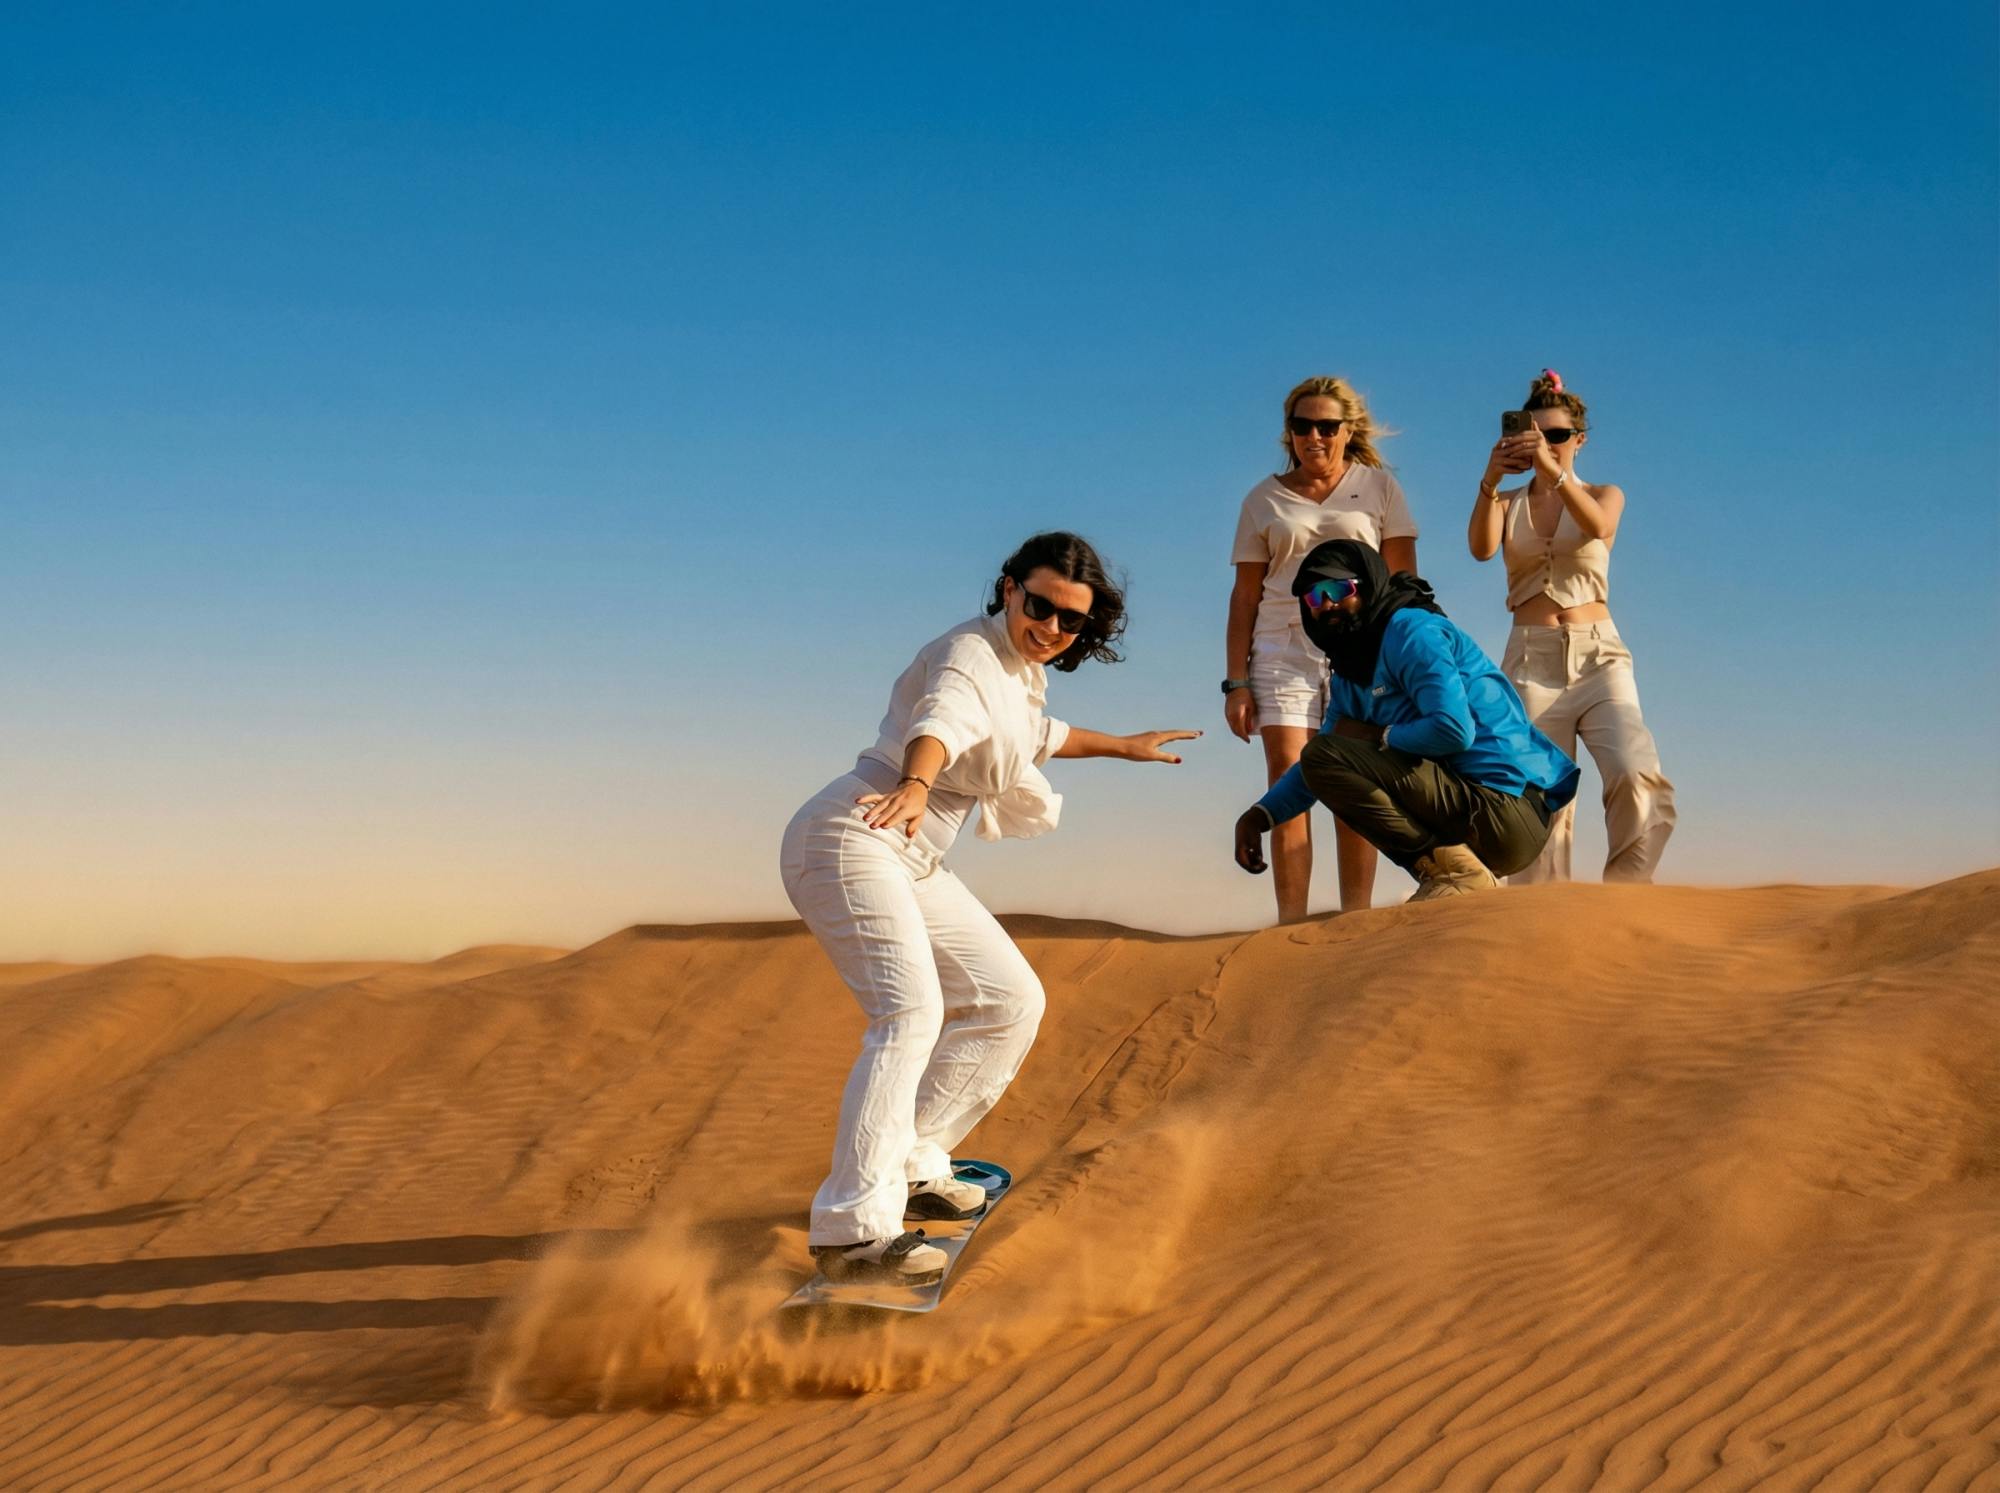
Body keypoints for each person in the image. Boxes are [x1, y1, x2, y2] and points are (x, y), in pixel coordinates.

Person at [782, 532, 1197, 1283]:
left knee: (1009, 998)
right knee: (908, 1013)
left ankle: (908, 1163)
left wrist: (1126, 746)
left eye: (1071, 621)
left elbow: (1040, 735)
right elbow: (940, 718)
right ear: (1009, 589)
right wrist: (916, 782)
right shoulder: (972, 655)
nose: (1052, 628)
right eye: (1040, 606)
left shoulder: (1019, 674)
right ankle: (851, 1230)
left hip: (911, 852)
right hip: (859, 829)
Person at [1232, 539, 1580, 901]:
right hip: (1467, 808)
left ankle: (1453, 870)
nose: (1328, 604)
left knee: (1328, 752)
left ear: (1366, 587)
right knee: (1325, 757)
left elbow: (1455, 730)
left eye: (1339, 589)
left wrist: (1379, 736)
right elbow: (1319, 765)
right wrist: (1260, 816)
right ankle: (1451, 868)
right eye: (1314, 598)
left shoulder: (1413, 633)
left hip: (1507, 809)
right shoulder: (1350, 672)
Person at [1466, 369, 1676, 883]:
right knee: (1538, 794)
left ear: (1578, 441)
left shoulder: (1605, 494)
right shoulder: (1508, 502)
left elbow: (1598, 528)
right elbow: (1481, 549)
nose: (1545, 445)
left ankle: (1626, 895)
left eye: (1556, 436)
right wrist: (1491, 480)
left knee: (1633, 771)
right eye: (1534, 434)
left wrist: (1553, 473)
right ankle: (1543, 917)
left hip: (1599, 656)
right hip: (1530, 658)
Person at [1225, 376, 1419, 923]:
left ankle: (1355, 920)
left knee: (1353, 777)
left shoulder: (1380, 489)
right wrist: (1236, 682)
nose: (1314, 436)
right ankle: (1291, 928)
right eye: (1301, 425)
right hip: (1281, 647)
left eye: (1326, 426)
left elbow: (1405, 582)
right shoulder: (1261, 499)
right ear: (1289, 432)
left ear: (1346, 431)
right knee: (1291, 774)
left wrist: (1406, 662)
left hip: (1361, 650)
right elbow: (1244, 595)